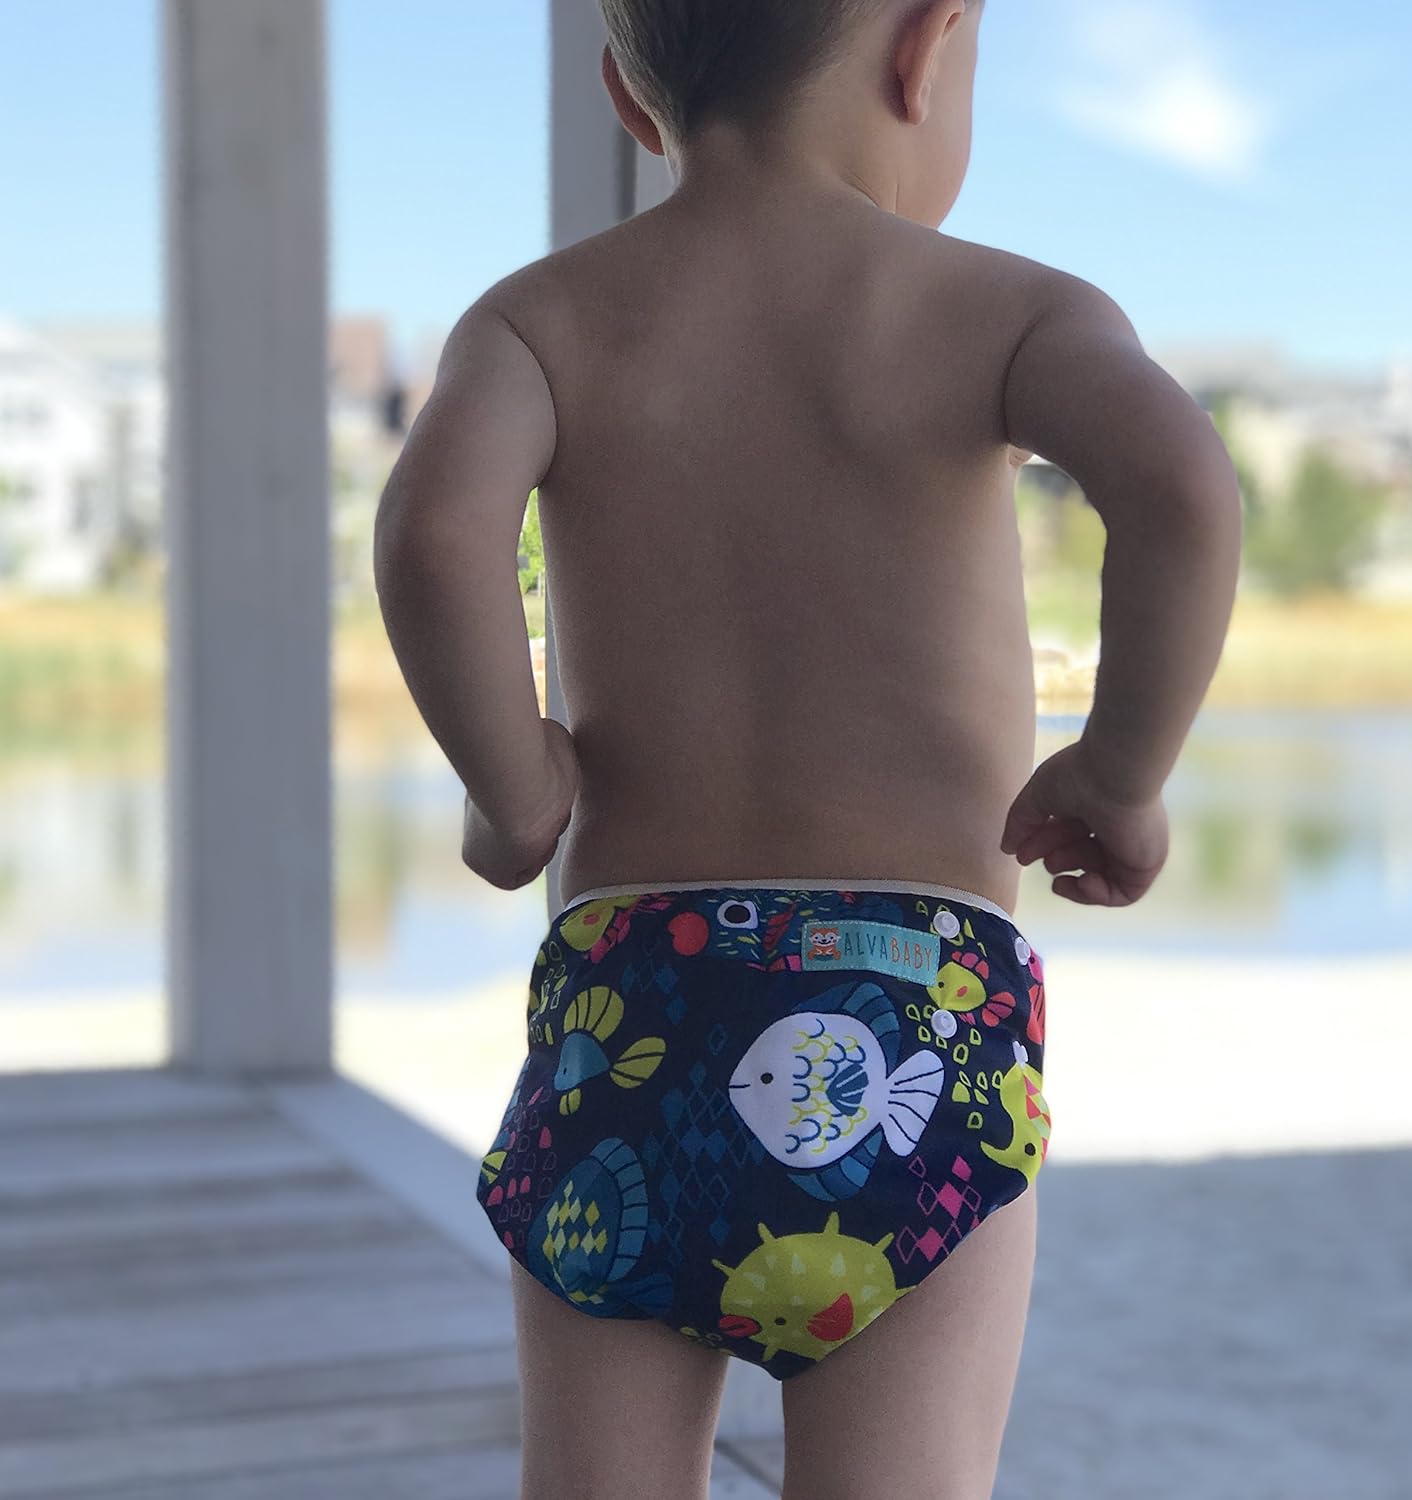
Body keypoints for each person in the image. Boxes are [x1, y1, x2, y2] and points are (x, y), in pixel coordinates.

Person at [372, 0, 1243, 1494]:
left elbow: (437, 535)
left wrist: (510, 790)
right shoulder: (1007, 311)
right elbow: (1179, 488)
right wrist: (1121, 771)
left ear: (626, 95)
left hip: (630, 1018)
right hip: (911, 1010)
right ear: (927, 50)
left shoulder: (540, 320)